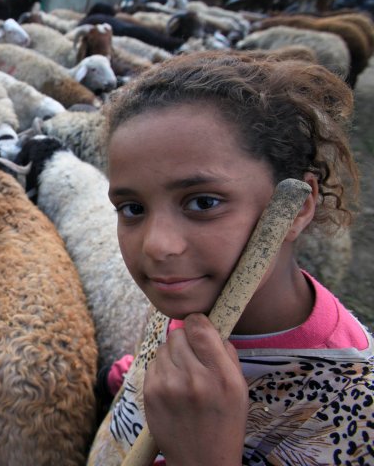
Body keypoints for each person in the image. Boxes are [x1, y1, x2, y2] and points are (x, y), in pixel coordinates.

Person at [99, 51, 373, 465]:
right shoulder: (188, 303)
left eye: (203, 202)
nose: (157, 245)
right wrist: (125, 377)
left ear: (296, 207)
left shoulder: (358, 411)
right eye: (132, 209)